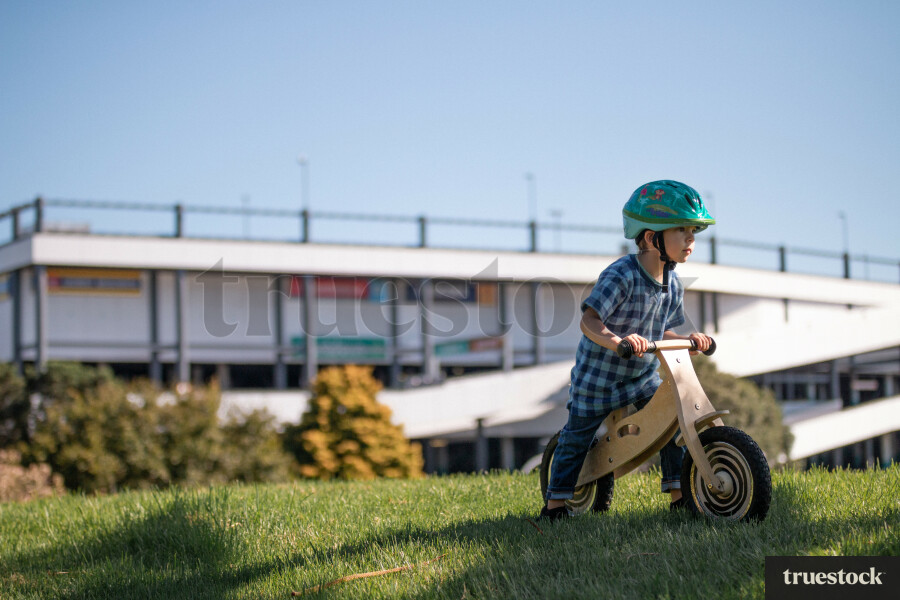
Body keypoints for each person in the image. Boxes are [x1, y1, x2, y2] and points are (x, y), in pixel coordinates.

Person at [541, 180, 715, 520]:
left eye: (693, 230)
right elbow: (590, 321)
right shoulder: (621, 275)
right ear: (652, 238)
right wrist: (618, 341)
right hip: (599, 379)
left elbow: (663, 329)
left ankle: (679, 497)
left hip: (640, 376)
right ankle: (556, 505)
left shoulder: (672, 284)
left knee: (671, 421)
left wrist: (690, 340)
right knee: (577, 439)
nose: (691, 238)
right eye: (681, 229)